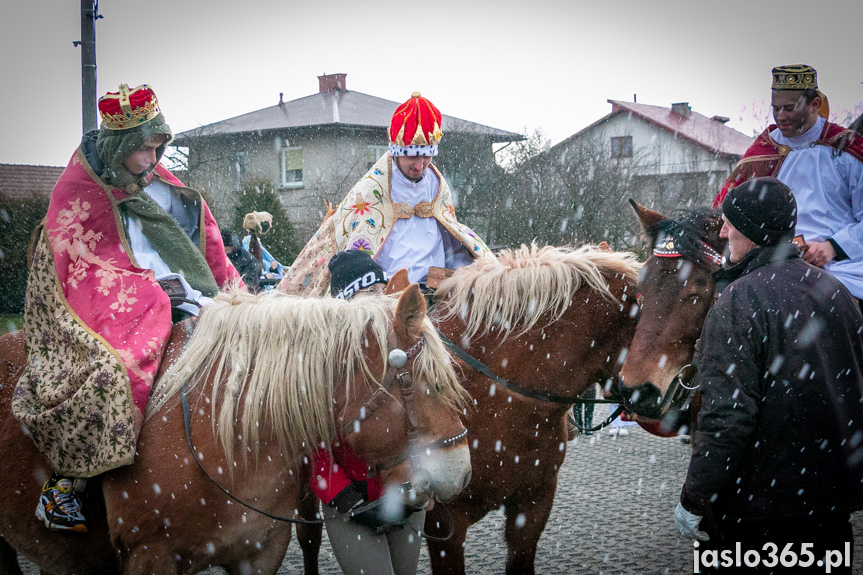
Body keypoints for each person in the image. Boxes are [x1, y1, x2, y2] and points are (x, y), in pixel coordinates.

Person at [12, 84, 241, 533]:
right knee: (107, 372)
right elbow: (81, 268)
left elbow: (206, 242)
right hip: (104, 315)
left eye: (159, 148)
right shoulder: (78, 190)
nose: (153, 160)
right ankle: (66, 486)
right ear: (120, 146)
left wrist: (230, 295)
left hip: (183, 300)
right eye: (144, 150)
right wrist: (153, 294)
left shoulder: (163, 184)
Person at [676, 178, 863, 573]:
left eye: (729, 224)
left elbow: (727, 417)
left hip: (755, 516)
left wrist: (695, 497)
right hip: (830, 511)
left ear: (753, 232)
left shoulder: (738, 301)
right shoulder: (835, 290)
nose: (723, 232)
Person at [279, 91, 492, 295]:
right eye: (412, 157)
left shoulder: (436, 186)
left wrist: (467, 269)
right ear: (397, 153)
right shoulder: (372, 190)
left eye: (426, 157)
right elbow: (357, 254)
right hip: (384, 297)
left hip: (435, 291)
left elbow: (453, 244)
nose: (420, 166)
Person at [310, 249, 427, 575]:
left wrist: (416, 485)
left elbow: (421, 418)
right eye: (370, 291)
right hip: (351, 505)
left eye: (381, 288)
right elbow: (313, 447)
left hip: (404, 498)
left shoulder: (402, 349)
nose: (382, 298)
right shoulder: (322, 359)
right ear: (345, 299)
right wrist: (348, 501)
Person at [713, 64, 863, 309]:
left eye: (789, 108)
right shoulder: (763, 152)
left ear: (815, 104)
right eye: (775, 108)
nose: (780, 116)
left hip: (841, 267)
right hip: (768, 264)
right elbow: (731, 213)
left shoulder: (848, 149)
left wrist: (833, 247)